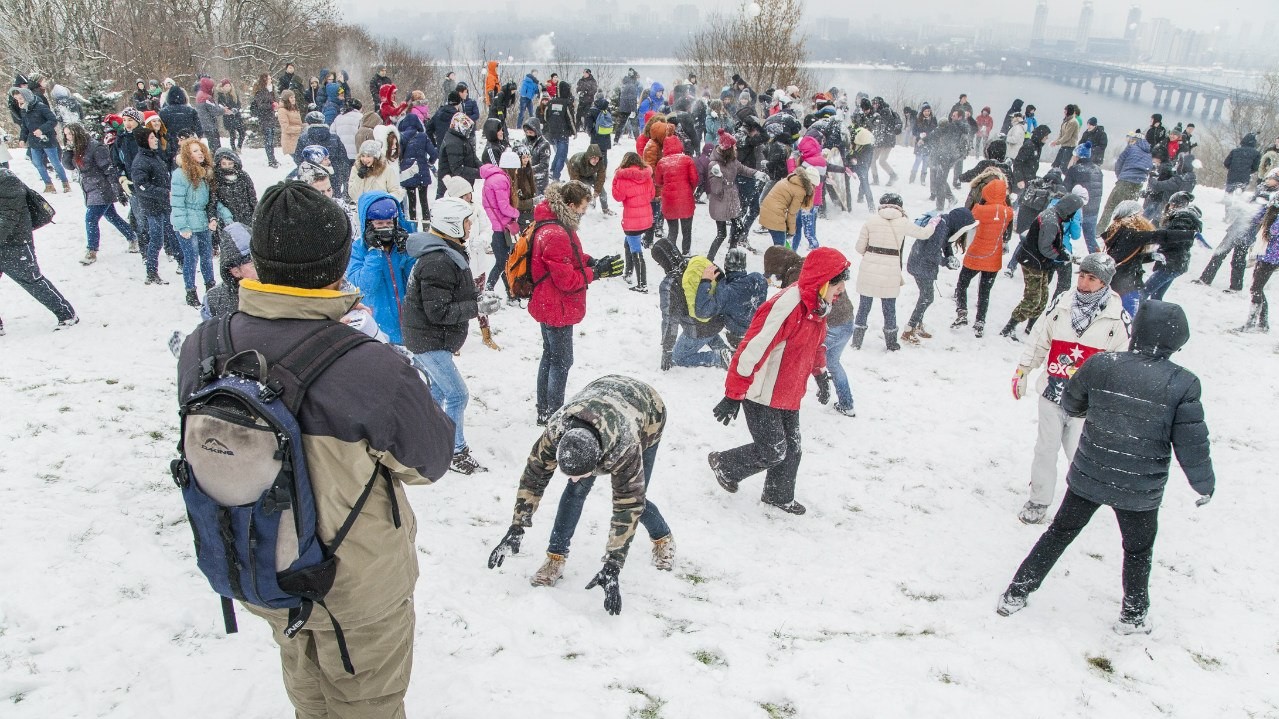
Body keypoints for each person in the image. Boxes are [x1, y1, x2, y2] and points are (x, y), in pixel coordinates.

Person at [176, 179, 453, 716]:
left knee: (306, 688)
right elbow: (431, 460)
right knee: (366, 702)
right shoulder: (371, 367)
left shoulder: (202, 345)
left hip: (261, 565)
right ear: (336, 265)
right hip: (356, 585)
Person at [998, 300, 1213, 634]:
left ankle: (1017, 591)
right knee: (1139, 549)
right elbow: (1191, 444)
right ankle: (1133, 615)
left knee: (1058, 534)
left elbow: (1072, 403)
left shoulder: (1102, 364)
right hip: (1139, 487)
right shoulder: (1183, 383)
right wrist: (1204, 484)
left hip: (1091, 473)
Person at [486, 375, 675, 614]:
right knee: (576, 490)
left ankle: (663, 538)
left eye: (579, 473)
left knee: (638, 495)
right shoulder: (557, 429)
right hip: (600, 394)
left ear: (599, 459)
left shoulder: (625, 446)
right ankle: (555, 558)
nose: (573, 477)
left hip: (648, 411)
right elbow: (534, 476)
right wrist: (517, 526)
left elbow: (628, 503)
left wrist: (613, 565)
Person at [707, 247, 850, 515]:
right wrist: (733, 394)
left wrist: (820, 374)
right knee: (773, 450)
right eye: (837, 283)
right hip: (761, 391)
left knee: (792, 451)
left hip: (789, 390)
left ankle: (778, 495)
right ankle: (725, 465)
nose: (841, 290)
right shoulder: (788, 304)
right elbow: (753, 348)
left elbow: (816, 345)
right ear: (822, 281)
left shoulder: (818, 306)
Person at [1010, 253, 1131, 525]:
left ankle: (1081, 502)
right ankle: (1039, 500)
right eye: (1082, 276)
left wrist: (1112, 399)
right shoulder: (1061, 304)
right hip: (1053, 392)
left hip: (1086, 403)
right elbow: (1040, 338)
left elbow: (1120, 363)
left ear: (1105, 283)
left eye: (1092, 279)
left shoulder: (1116, 319)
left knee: (1079, 454)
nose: (1084, 283)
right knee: (1045, 449)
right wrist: (1024, 369)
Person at [400, 196, 501, 474]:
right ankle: (455, 452)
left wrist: (477, 297)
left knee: (437, 392)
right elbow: (438, 312)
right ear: (452, 225)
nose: (470, 227)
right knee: (456, 394)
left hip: (428, 337)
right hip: (428, 339)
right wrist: (476, 307)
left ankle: (428, 439)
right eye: (466, 223)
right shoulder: (438, 261)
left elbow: (449, 294)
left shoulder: (445, 252)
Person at [529, 181, 624, 423]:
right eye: (583, 207)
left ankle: (544, 409)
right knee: (561, 361)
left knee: (550, 356)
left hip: (547, 302)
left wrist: (592, 261)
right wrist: (597, 273)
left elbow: (568, 256)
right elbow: (566, 280)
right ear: (570, 205)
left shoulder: (555, 223)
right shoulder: (557, 232)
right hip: (556, 305)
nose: (584, 212)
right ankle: (554, 414)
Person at [852, 193, 936, 351]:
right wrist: (933, 223)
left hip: (869, 268)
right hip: (890, 270)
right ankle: (891, 343)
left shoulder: (871, 221)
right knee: (889, 307)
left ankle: (857, 341)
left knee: (864, 306)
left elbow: (858, 248)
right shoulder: (903, 222)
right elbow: (924, 234)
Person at [0, 167, 78, 329]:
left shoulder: (7, 180)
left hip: (15, 244)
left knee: (32, 281)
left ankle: (67, 315)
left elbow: (8, 217)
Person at [1001, 194, 1085, 339]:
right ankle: (1009, 328)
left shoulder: (1054, 216)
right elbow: (1046, 248)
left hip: (1040, 262)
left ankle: (1030, 328)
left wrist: (1064, 253)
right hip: (1034, 263)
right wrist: (1061, 255)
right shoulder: (1051, 221)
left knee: (1042, 298)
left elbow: (1052, 243)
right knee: (1033, 299)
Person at [345, 191, 415, 347]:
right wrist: (374, 252)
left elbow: (415, 279)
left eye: (389, 224)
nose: (386, 229)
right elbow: (365, 286)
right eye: (380, 224)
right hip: (380, 329)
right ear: (369, 224)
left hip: (410, 327)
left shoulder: (401, 246)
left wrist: (408, 252)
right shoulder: (357, 250)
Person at [61, 122, 136, 265]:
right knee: (111, 216)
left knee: (91, 218)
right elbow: (69, 166)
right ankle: (132, 236)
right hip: (89, 188)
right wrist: (68, 151)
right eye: (66, 135)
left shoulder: (95, 147)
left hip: (101, 188)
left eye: (70, 134)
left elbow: (108, 169)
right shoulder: (76, 148)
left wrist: (117, 189)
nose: (68, 137)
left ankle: (92, 250)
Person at [171, 137, 233, 308]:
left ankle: (210, 288)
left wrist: (223, 214)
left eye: (200, 150)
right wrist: (183, 226)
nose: (199, 154)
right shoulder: (181, 174)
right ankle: (190, 292)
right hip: (187, 224)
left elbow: (212, 200)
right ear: (187, 155)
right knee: (191, 259)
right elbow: (177, 203)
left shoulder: (206, 173)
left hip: (202, 222)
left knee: (207, 258)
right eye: (194, 151)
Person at [706, 131, 766, 261]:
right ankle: (709, 259)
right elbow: (716, 190)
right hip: (720, 203)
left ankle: (731, 256)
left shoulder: (733, 161)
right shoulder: (714, 165)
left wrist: (756, 174)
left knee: (738, 228)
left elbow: (743, 169)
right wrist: (718, 178)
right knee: (722, 234)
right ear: (728, 149)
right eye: (734, 146)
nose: (736, 148)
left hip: (732, 200)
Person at [1141, 191, 1202, 303]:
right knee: (1156, 296)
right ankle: (1154, 317)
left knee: (1144, 292)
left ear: (1174, 204)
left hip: (1171, 263)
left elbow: (1176, 239)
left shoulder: (1181, 217)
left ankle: (1132, 317)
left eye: (1171, 204)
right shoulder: (1183, 217)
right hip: (1176, 262)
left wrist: (1160, 238)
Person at [10, 88, 70, 193]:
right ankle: (48, 184)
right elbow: (25, 126)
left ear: (27, 97)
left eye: (20, 98)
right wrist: (22, 139)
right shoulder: (23, 110)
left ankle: (65, 182)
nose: (19, 101)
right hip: (34, 141)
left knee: (55, 162)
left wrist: (42, 130)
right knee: (37, 163)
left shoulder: (40, 107)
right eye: (17, 99)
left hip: (47, 139)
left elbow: (53, 120)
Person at [611, 151, 655, 292]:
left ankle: (642, 284)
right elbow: (651, 195)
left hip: (632, 221)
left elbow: (618, 197)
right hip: (646, 218)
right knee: (628, 243)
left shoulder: (622, 177)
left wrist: (615, 181)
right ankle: (628, 273)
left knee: (636, 250)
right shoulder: (646, 175)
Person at [480, 150, 521, 296]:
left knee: (504, 261)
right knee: (502, 262)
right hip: (502, 228)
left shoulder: (492, 178)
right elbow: (504, 207)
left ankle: (510, 292)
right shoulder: (501, 180)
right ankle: (489, 289)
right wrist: (516, 213)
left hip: (498, 225)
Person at [1237, 197, 1279, 332]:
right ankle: (1262, 322)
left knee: (1256, 288)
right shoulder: (1271, 214)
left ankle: (1252, 322)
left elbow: (1273, 231)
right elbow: (1255, 218)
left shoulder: (1275, 217)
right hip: (1264, 255)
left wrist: (1272, 215)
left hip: (1271, 258)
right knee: (1257, 288)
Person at [653, 136, 698, 254]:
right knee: (687, 230)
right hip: (686, 200)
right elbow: (694, 179)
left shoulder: (662, 162)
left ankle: (670, 254)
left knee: (673, 230)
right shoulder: (687, 160)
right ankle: (686, 252)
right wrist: (689, 190)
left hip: (669, 200)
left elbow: (658, 182)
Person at [201, 222, 254, 320]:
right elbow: (210, 333)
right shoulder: (215, 301)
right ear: (235, 271)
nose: (263, 268)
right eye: (254, 265)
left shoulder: (282, 285)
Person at [1099, 131, 1152, 229]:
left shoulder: (1131, 148)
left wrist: (1120, 176)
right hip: (1138, 184)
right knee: (1128, 210)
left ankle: (1100, 230)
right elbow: (1149, 168)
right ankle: (1121, 231)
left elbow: (1119, 162)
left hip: (1125, 181)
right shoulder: (1149, 154)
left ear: (1135, 141)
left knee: (1110, 206)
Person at [759, 167, 817, 247]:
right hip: (775, 215)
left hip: (767, 210)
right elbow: (792, 213)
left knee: (779, 246)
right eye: (814, 186)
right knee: (780, 248)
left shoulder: (791, 179)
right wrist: (791, 232)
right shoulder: (800, 191)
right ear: (810, 183)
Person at [1065, 142, 1104, 252]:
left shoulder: (1075, 169)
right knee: (1090, 238)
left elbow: (1065, 188)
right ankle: (1096, 259)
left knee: (1063, 234)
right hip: (1093, 209)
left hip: (1078, 210)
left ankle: (1062, 257)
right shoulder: (1097, 169)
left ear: (1077, 156)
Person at [436, 113, 481, 200]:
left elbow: (472, 158)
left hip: (461, 187)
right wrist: (479, 173)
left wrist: (484, 169)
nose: (468, 131)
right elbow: (457, 169)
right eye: (466, 129)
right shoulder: (453, 142)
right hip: (452, 188)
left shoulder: (460, 138)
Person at [211, 148, 256, 226]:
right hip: (227, 219)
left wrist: (256, 213)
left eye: (230, 163)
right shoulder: (216, 178)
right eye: (224, 164)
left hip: (246, 215)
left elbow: (252, 197)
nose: (227, 166)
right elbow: (213, 201)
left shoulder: (243, 176)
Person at [566, 144, 612, 216]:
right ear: (588, 157)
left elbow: (601, 177)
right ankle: (578, 209)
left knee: (603, 193)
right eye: (593, 158)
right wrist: (581, 191)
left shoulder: (599, 162)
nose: (595, 160)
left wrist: (597, 190)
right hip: (578, 174)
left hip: (590, 174)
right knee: (583, 190)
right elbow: (575, 181)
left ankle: (605, 209)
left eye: (597, 158)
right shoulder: (577, 162)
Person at [248, 74, 279, 168]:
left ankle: (273, 159)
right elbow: (260, 106)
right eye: (269, 78)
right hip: (265, 118)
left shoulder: (270, 90)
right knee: (268, 140)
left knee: (271, 140)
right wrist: (272, 106)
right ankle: (271, 160)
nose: (271, 80)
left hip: (271, 117)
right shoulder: (260, 92)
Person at [908, 103, 936, 186]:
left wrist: (927, 135)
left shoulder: (933, 120)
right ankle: (912, 177)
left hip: (928, 143)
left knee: (926, 161)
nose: (927, 112)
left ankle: (923, 178)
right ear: (922, 111)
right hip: (919, 142)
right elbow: (914, 131)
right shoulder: (918, 120)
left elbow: (934, 131)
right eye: (925, 111)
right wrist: (919, 135)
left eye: (928, 111)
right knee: (918, 159)